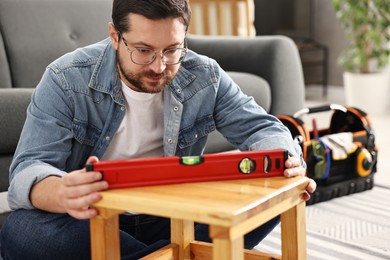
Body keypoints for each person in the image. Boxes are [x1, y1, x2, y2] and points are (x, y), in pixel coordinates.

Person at [0, 0, 316, 259]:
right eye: (143, 50)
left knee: (279, 196)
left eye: (171, 50)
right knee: (22, 231)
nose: (158, 66)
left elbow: (263, 128)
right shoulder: (66, 79)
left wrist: (284, 160)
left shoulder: (204, 76)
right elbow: (27, 171)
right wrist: (62, 193)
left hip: (177, 218)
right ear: (114, 36)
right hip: (92, 222)